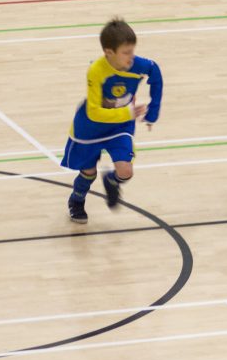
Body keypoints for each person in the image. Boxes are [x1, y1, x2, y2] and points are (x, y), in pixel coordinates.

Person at [62, 16, 162, 223]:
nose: (131, 58)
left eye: (132, 51)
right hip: (90, 127)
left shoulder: (138, 66)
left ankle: (112, 181)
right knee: (88, 172)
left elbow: (156, 73)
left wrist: (153, 111)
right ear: (109, 52)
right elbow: (94, 112)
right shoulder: (97, 71)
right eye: (126, 53)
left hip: (119, 125)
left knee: (126, 170)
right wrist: (127, 113)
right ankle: (77, 200)